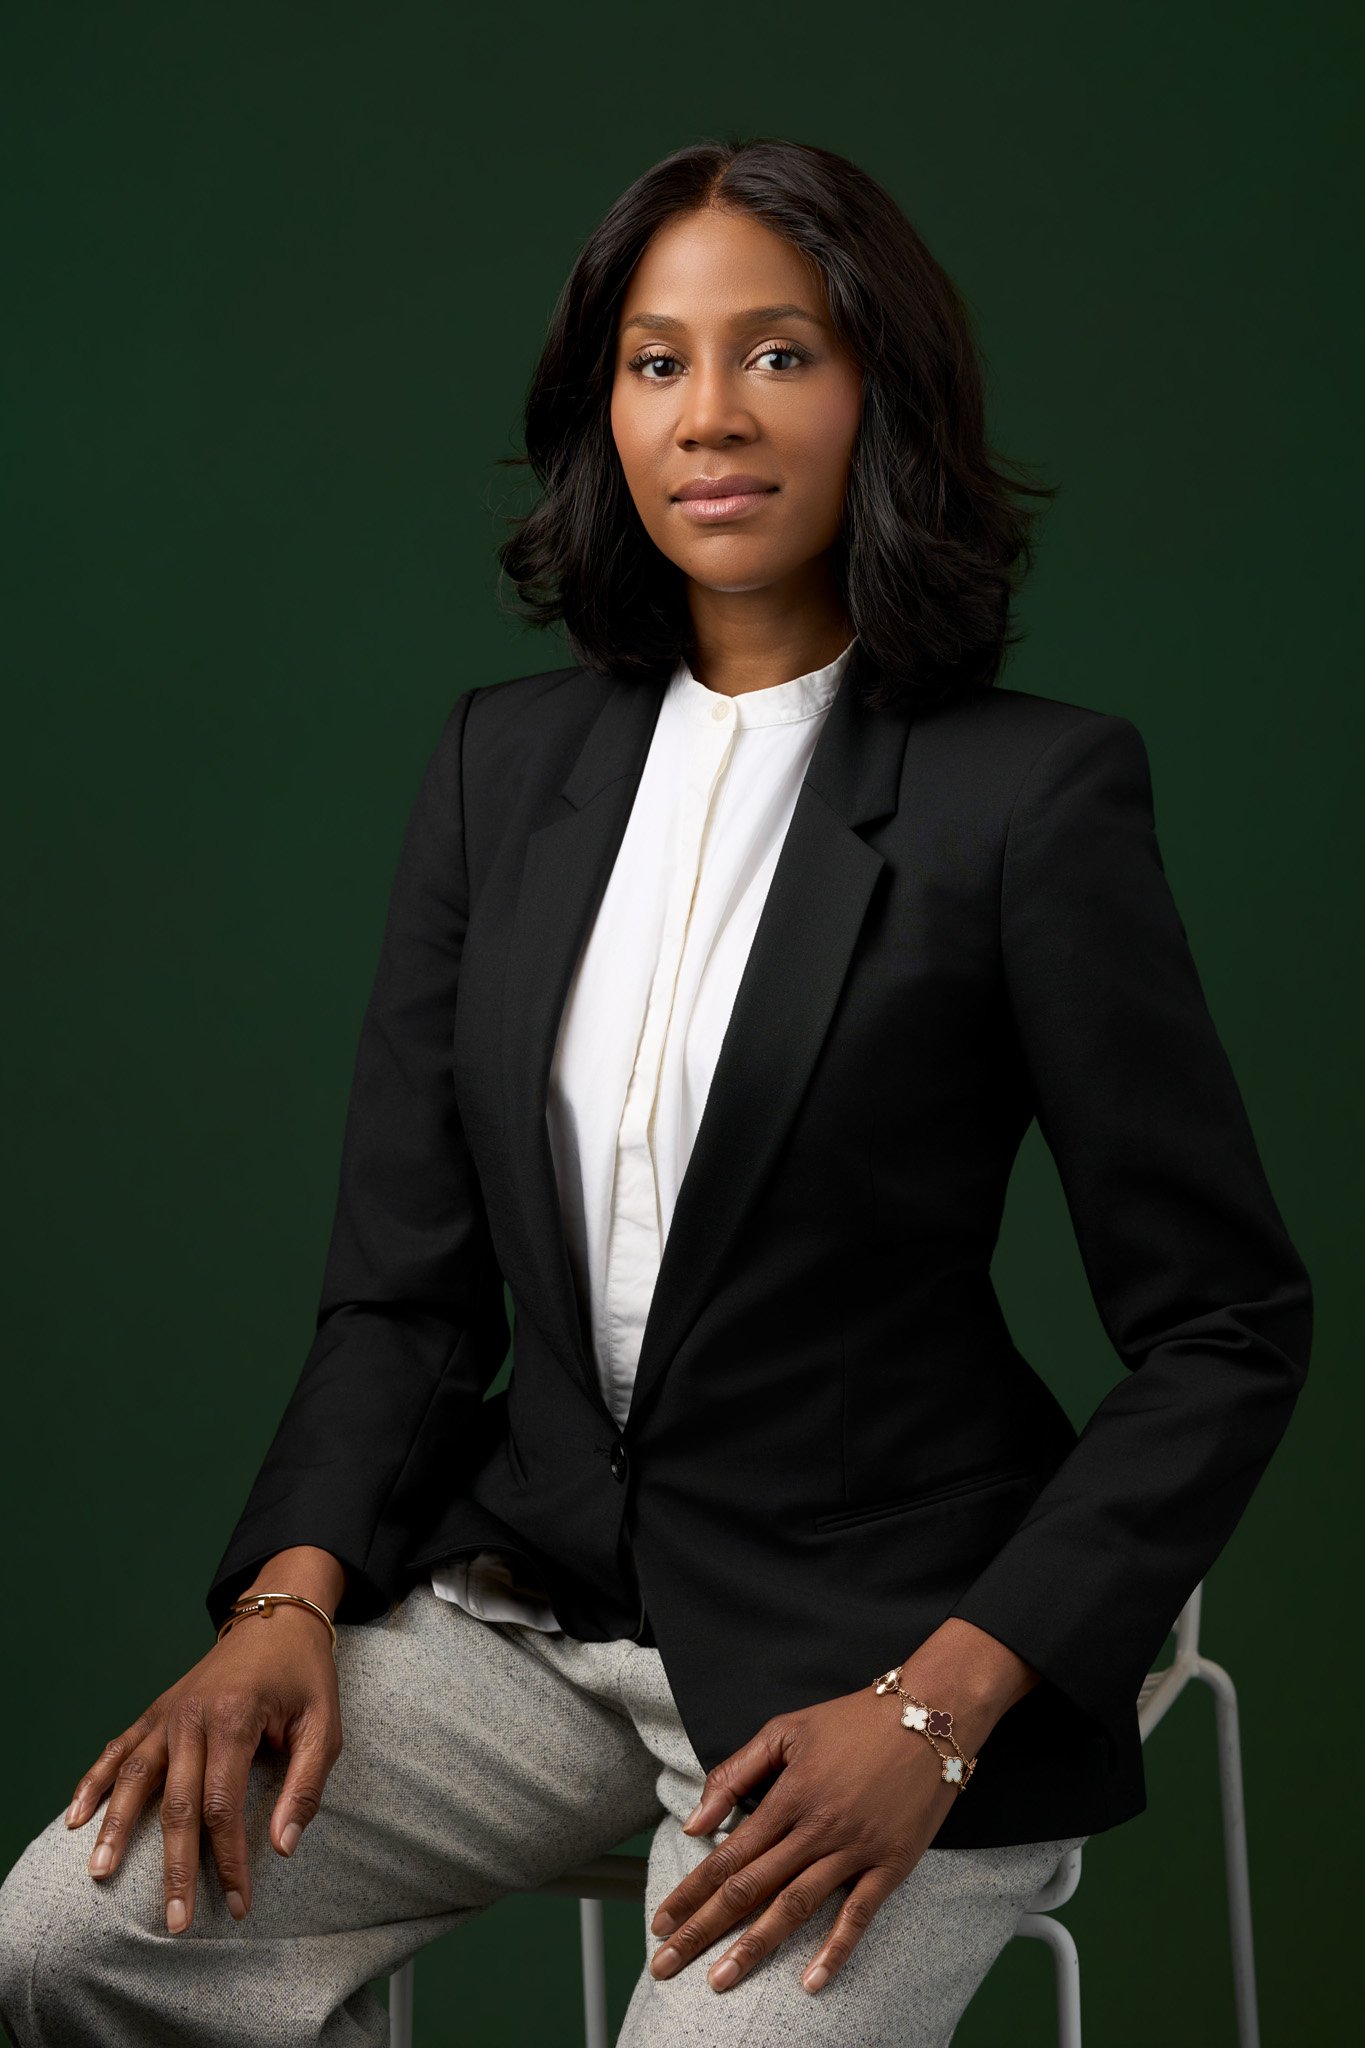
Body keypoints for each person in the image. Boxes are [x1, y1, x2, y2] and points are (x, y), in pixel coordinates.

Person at [0, 135, 1312, 2048]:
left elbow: (1222, 1329)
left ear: (885, 395)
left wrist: (937, 1711)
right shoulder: (494, 767)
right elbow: (403, 1289)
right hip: (522, 1632)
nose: (710, 414)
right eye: (654, 359)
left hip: (877, 1667)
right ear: (601, 409)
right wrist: (279, 1609)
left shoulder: (1027, 798)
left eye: (779, 354)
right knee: (62, 1938)